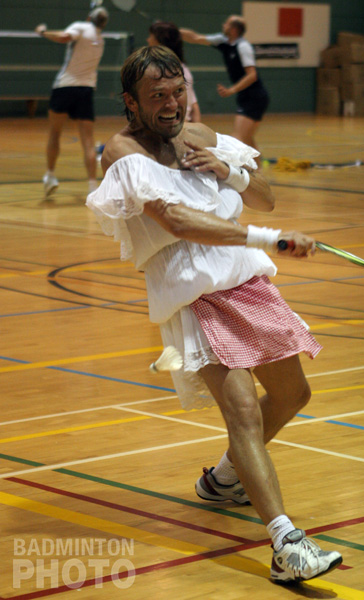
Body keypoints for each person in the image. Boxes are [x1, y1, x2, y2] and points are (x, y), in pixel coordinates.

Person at [86, 46, 342, 583]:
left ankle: (224, 478)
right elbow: (177, 221)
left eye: (177, 92)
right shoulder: (123, 152)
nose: (171, 104)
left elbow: (266, 196)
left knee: (293, 395)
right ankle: (286, 544)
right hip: (194, 293)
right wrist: (273, 239)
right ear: (131, 102)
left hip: (246, 281)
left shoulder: (201, 135)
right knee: (243, 412)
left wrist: (232, 172)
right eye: (157, 96)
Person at [35, 7, 109, 198]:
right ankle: (92, 186)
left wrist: (43, 32)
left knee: (55, 133)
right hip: (86, 90)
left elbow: (63, 37)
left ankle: (50, 176)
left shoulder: (81, 27)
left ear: (89, 17)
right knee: (88, 141)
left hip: (65, 86)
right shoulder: (100, 40)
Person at [180, 16, 269, 164]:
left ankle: (235, 170)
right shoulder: (223, 41)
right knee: (247, 138)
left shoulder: (243, 47)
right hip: (246, 96)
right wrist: (173, 31)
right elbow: (195, 37)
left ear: (234, 29)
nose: (223, 25)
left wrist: (231, 90)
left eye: (227, 23)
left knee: (237, 138)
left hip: (254, 97)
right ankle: (258, 168)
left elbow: (252, 75)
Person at [147, 21, 201, 123]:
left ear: (160, 41)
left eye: (151, 36)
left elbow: (193, 106)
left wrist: (197, 129)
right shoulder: (154, 69)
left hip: (176, 127)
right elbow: (194, 105)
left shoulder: (177, 72)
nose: (148, 40)